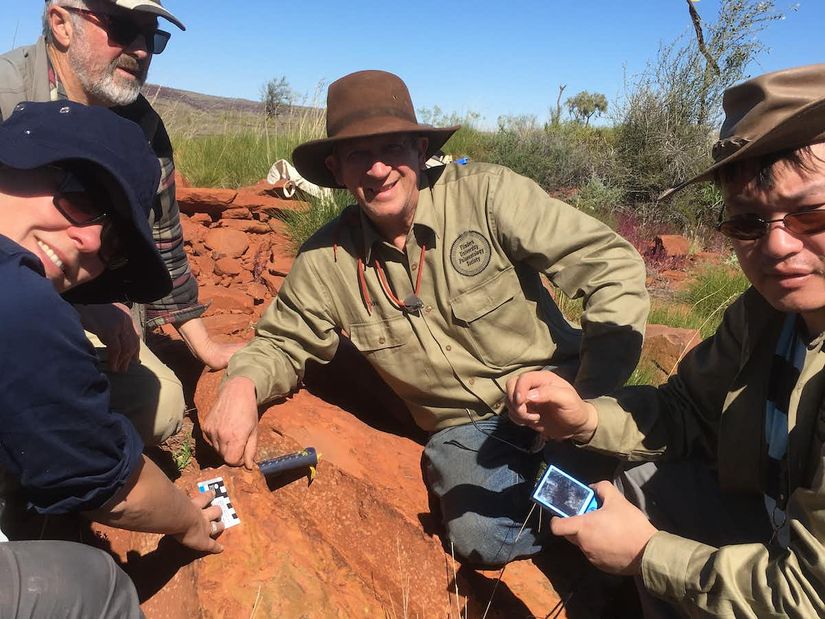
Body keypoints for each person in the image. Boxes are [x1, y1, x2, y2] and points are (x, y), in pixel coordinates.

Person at [203, 70, 650, 566]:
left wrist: (589, 393)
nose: (378, 170)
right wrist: (241, 387)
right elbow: (280, 343)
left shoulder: (487, 194)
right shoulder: (324, 260)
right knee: (480, 532)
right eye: (357, 155)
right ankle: (582, 538)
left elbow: (613, 267)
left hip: (562, 392)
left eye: (392, 148)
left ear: (419, 150)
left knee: (651, 462)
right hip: (471, 430)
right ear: (336, 169)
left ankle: (619, 537)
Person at [507, 63, 825, 617]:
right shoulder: (764, 317)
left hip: (803, 585)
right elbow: (685, 411)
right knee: (633, 478)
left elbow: (810, 597)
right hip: (775, 524)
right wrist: (585, 418)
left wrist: (648, 555)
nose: (776, 247)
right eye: (748, 222)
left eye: (811, 213)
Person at [0, 100, 224, 617]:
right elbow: (113, 488)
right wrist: (190, 521)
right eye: (81, 198)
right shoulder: (22, 304)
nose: (91, 241)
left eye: (115, 245)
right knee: (98, 586)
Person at [0, 0, 243, 447]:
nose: (141, 50)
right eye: (123, 27)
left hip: (82, 300)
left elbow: (165, 240)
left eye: (151, 36)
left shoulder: (143, 129)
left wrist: (203, 346)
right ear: (61, 23)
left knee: (163, 406)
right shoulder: (6, 97)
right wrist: (85, 308)